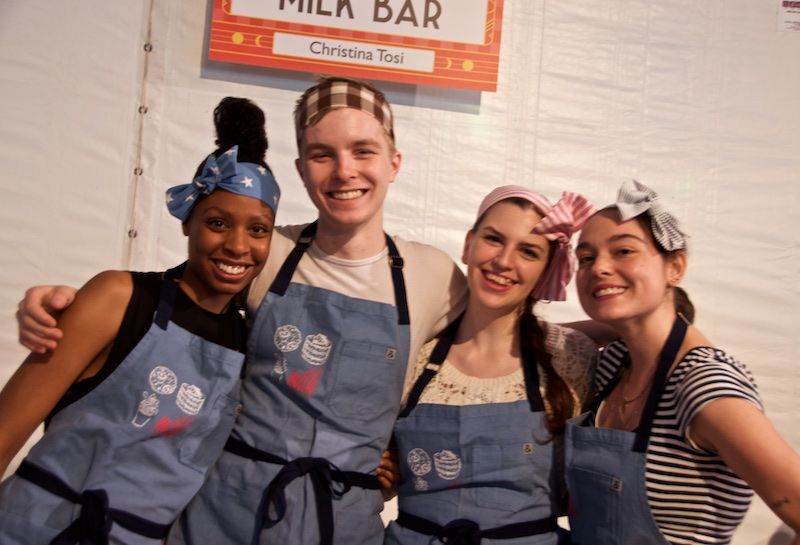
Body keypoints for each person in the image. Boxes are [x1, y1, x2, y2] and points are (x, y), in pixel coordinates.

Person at [0, 97, 281, 544]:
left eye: (258, 229)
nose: (238, 245)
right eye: (217, 222)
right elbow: (5, 431)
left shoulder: (247, 343)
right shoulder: (118, 297)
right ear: (187, 221)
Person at [566, 180, 800, 544]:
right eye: (586, 258)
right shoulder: (615, 362)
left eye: (624, 251)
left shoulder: (702, 385)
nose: (599, 268)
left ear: (675, 267)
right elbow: (536, 339)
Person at [383, 186, 598, 545]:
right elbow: (379, 469)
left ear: (546, 271)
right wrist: (382, 475)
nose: (503, 261)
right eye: (494, 239)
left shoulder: (572, 358)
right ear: (468, 244)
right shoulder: (412, 354)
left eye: (528, 251)